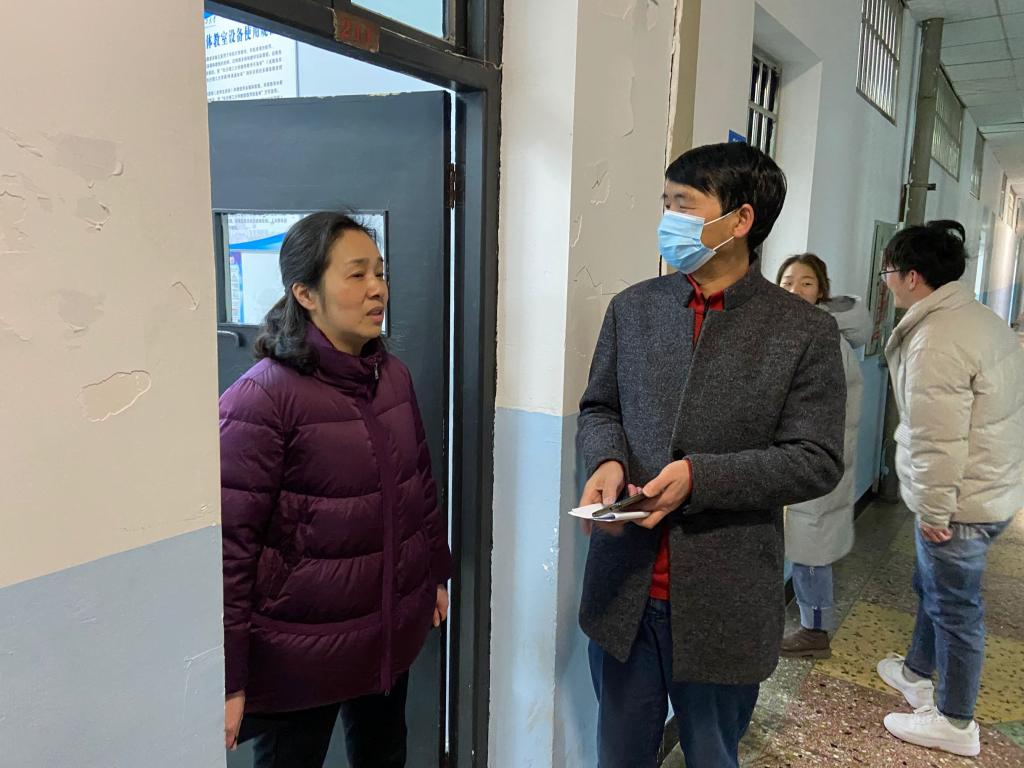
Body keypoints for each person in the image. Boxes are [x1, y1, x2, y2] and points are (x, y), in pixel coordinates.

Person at [577, 142, 847, 768]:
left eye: (683, 205)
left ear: (740, 219)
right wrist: (606, 459)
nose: (668, 219)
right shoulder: (633, 309)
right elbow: (600, 407)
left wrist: (702, 478)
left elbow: (815, 457)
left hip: (726, 598)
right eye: (666, 203)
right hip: (625, 592)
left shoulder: (802, 331)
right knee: (619, 755)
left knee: (713, 755)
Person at [219, 212, 452, 768]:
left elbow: (419, 486)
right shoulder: (261, 399)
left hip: (384, 632)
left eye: (381, 272)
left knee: (385, 756)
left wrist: (434, 575)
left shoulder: (391, 376)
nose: (378, 289)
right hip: (297, 653)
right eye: (356, 274)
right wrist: (229, 676)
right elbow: (230, 549)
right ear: (305, 294)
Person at [875, 220, 1024, 758]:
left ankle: (956, 721)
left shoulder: (936, 340)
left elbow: (938, 439)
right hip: (991, 489)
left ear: (913, 277)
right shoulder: (979, 319)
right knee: (933, 589)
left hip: (960, 502)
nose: (886, 281)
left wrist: (937, 510)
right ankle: (918, 672)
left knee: (956, 610)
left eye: (889, 271)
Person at [777, 254, 871, 659]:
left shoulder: (825, 337)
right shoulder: (794, 330)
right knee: (804, 542)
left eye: (806, 282)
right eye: (787, 281)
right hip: (796, 457)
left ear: (821, 291)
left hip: (815, 458)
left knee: (811, 547)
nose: (795, 289)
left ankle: (815, 630)